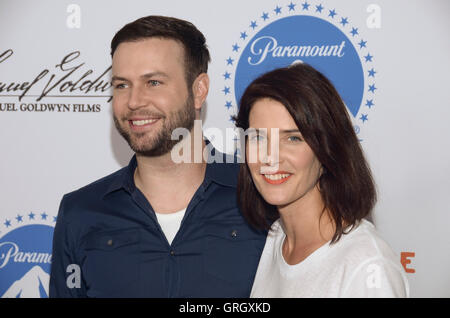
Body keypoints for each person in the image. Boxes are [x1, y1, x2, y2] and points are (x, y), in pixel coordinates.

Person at [49, 15, 266, 298]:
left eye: (153, 82)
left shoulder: (261, 194)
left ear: (198, 90)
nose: (134, 101)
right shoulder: (79, 212)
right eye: (122, 85)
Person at [233, 63, 409, 297]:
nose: (270, 157)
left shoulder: (367, 267)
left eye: (293, 138)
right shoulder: (278, 238)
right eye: (257, 137)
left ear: (327, 150)